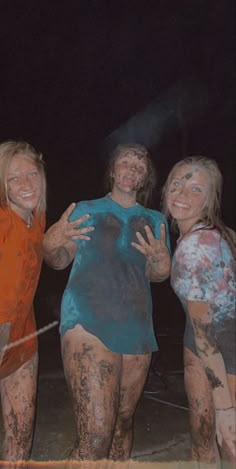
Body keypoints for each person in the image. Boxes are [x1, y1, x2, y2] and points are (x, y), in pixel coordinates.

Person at [43, 143, 171, 462]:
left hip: (136, 328)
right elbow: (59, 260)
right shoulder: (86, 209)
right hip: (87, 322)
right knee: (96, 434)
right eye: (125, 161)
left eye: (139, 165)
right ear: (112, 170)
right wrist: (50, 244)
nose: (132, 168)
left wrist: (161, 263)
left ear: (145, 177)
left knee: (122, 422)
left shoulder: (156, 220)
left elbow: (156, 275)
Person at [0, 140, 92, 467]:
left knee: (20, 432)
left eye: (32, 173)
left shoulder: (36, 220)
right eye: (14, 178)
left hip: (23, 339)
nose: (26, 184)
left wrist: (60, 241)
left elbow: (52, 262)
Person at [162, 156, 236, 468]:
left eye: (195, 189)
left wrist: (225, 409)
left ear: (209, 200)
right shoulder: (219, 233)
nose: (181, 194)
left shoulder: (195, 248)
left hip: (224, 352)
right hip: (203, 345)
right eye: (177, 184)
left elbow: (208, 339)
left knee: (229, 443)